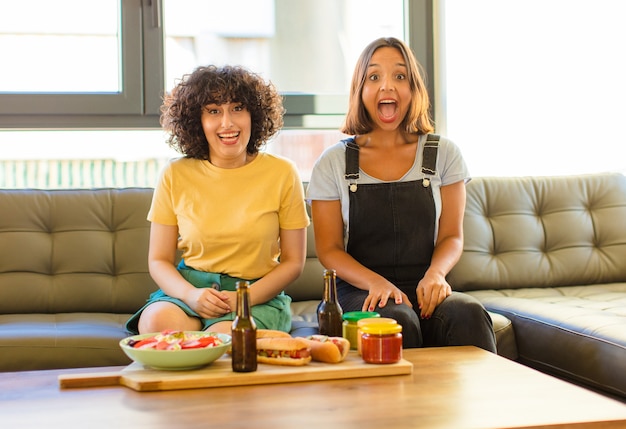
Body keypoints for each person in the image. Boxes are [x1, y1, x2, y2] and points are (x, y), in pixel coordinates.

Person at [306, 37, 497, 352]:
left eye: (399, 76)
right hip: (359, 290)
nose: (387, 87)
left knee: (468, 313)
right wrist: (377, 283)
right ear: (360, 90)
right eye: (374, 77)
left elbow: (452, 236)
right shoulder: (332, 163)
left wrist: (436, 274)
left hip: (426, 286)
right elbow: (329, 250)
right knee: (396, 320)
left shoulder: (444, 153)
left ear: (413, 89)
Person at [126, 65, 309, 336]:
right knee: (156, 325)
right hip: (190, 290)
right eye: (213, 111)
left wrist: (242, 298)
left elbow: (294, 262)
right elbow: (159, 260)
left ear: (254, 115)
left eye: (237, 108)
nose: (227, 123)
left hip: (255, 296)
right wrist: (190, 296)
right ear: (196, 121)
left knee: (226, 339)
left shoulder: (283, 173)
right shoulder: (175, 174)